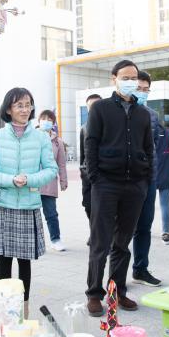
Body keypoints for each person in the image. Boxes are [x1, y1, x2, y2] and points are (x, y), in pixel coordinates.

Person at [0, 88, 58, 318]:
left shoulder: (41, 137)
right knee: (4, 258)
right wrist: (11, 180)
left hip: (28, 205)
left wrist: (30, 179)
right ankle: (5, 308)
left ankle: (23, 308)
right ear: (8, 109)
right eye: (19, 105)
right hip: (2, 203)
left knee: (25, 261)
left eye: (28, 105)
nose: (25, 110)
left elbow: (51, 169)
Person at [85, 60, 154, 316]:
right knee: (100, 243)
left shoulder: (143, 113)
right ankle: (94, 294)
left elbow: (149, 148)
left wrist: (146, 180)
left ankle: (117, 291)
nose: (130, 82)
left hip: (134, 185)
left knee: (123, 243)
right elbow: (91, 143)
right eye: (125, 77)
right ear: (113, 78)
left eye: (134, 77)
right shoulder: (100, 108)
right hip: (106, 184)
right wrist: (95, 177)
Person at [131, 71, 163, 287]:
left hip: (148, 178)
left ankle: (140, 268)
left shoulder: (152, 114)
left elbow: (154, 147)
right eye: (138, 89)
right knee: (123, 228)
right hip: (125, 180)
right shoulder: (116, 111)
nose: (142, 93)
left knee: (145, 225)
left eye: (146, 89)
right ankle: (116, 275)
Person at [37, 110, 68, 252]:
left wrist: (63, 181)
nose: (46, 121)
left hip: (49, 183)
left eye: (49, 119)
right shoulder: (31, 137)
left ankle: (55, 239)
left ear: (53, 123)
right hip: (32, 183)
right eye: (43, 118)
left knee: (51, 214)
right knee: (32, 214)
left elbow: (61, 163)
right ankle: (35, 241)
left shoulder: (57, 142)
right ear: (38, 121)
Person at [80, 94, 101, 234]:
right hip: (87, 175)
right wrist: (82, 169)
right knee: (88, 206)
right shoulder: (84, 128)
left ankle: (102, 236)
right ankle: (94, 232)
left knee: (103, 208)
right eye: (90, 106)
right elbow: (82, 153)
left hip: (104, 174)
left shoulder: (110, 126)